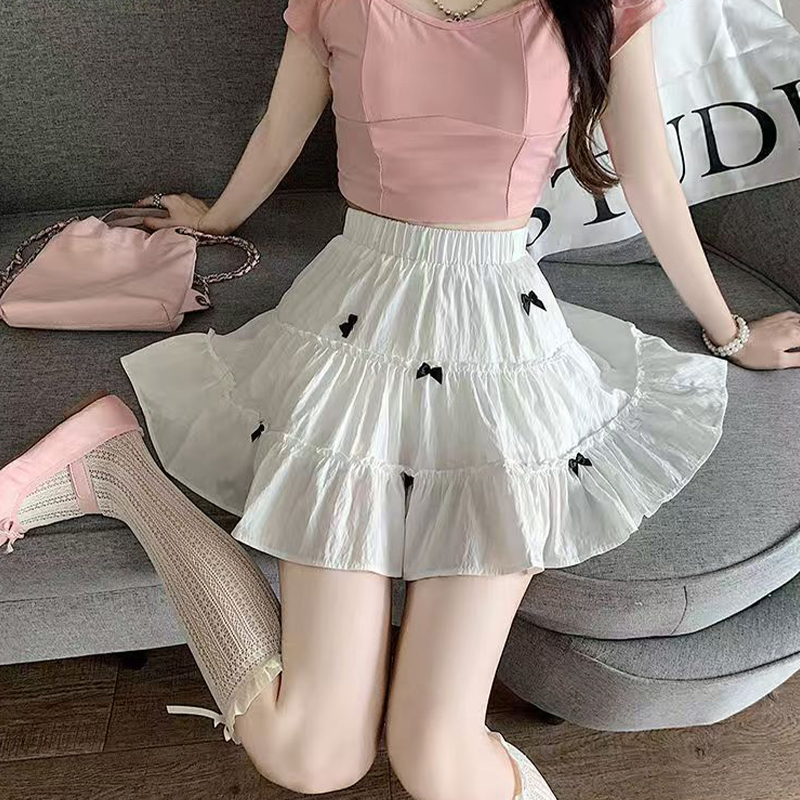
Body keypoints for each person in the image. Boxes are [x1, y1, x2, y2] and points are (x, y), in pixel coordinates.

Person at [3, 1, 800, 798]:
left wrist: (730, 332)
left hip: (502, 341)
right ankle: (117, 470)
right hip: (357, 327)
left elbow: (649, 173)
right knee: (312, 755)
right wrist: (215, 218)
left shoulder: (602, 5)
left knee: (439, 762)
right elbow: (281, 131)